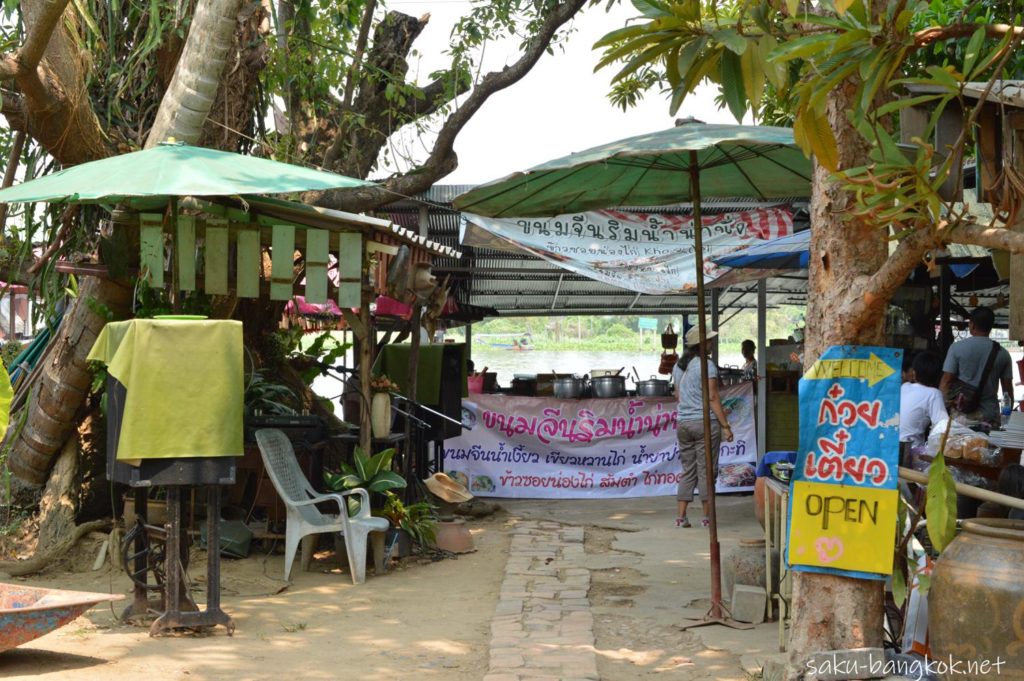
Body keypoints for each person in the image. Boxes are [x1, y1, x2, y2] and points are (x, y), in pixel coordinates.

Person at [672, 326, 734, 528]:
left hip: (683, 423)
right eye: (709, 340)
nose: (711, 343)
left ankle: (681, 517)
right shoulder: (707, 365)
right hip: (704, 423)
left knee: (688, 470)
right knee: (706, 469)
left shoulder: (680, 366)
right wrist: (725, 425)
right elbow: (713, 396)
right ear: (702, 344)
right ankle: (707, 518)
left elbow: (679, 396)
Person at [939, 307, 1014, 424]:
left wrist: (944, 409)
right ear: (990, 326)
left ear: (972, 325)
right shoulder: (1003, 353)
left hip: (961, 417)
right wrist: (1006, 418)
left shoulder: (957, 348)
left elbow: (946, 382)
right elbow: (1007, 392)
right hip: (989, 417)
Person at [899, 352, 947, 448]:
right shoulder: (933, 393)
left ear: (914, 372)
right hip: (910, 450)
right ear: (939, 376)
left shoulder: (904, 386)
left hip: (890, 447)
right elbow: (943, 427)